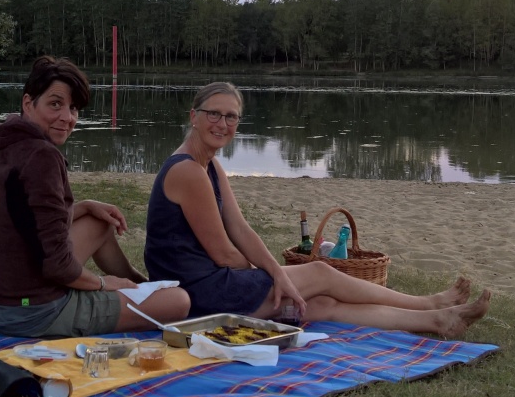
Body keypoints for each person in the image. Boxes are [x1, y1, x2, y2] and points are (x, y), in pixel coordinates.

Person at [143, 82, 490, 339]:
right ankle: (428, 303)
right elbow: (223, 254)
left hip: (209, 284)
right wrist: (270, 278)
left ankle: (437, 321)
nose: (222, 123)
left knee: (319, 303)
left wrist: (275, 276)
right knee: (320, 274)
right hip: (196, 293)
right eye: (213, 114)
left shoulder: (210, 165)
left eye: (231, 116)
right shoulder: (188, 170)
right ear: (194, 117)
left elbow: (240, 228)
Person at [0, 56, 191, 337]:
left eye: (73, 108)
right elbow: (58, 266)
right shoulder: (41, 156)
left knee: (99, 222)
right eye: (55, 104)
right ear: (28, 103)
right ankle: (140, 292)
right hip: (28, 310)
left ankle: (140, 286)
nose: (67, 117)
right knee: (179, 302)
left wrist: (84, 207)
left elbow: (24, 222)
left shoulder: (5, 142)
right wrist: (102, 283)